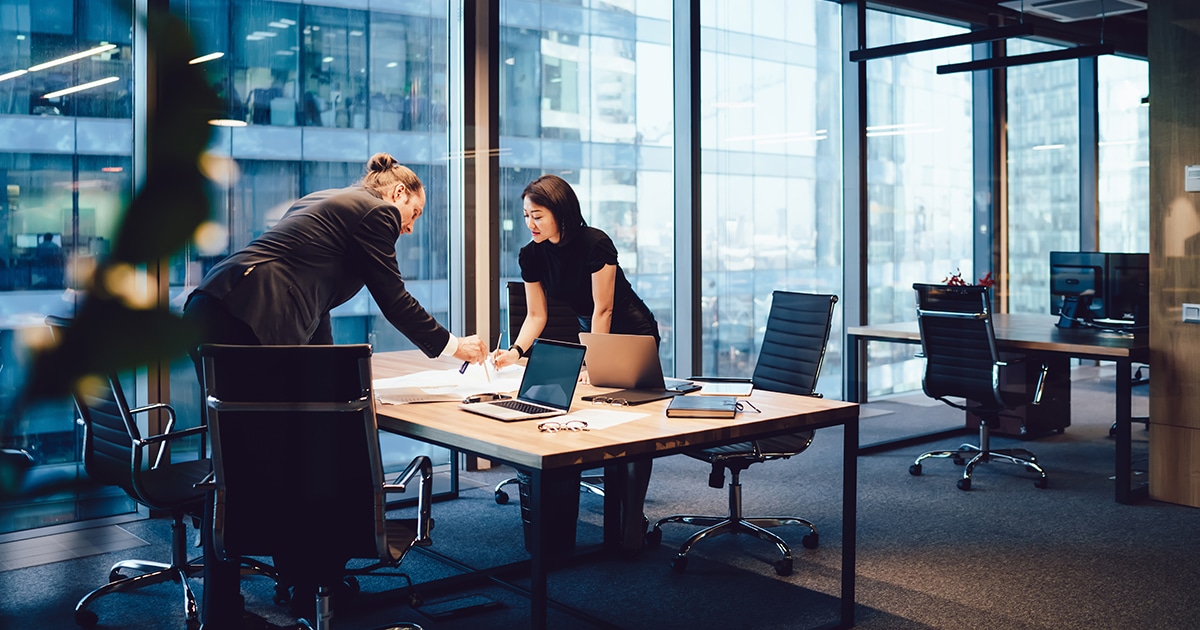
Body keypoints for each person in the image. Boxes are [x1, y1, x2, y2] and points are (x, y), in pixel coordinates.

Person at [183, 152, 488, 626]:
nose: (409, 228)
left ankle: (264, 590)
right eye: (415, 214)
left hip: (216, 306)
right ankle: (305, 586)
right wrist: (453, 346)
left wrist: (326, 377)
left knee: (239, 454)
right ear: (399, 194)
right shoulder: (377, 211)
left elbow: (313, 298)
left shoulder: (326, 199)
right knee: (290, 458)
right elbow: (394, 298)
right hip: (248, 319)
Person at [490, 173, 659, 556]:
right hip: (590, 331)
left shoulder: (594, 243)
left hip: (630, 332)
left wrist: (594, 359)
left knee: (636, 424)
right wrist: (515, 352)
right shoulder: (531, 255)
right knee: (597, 414)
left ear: (561, 213)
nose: (530, 224)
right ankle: (613, 523)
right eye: (526, 216)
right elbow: (536, 315)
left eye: (537, 216)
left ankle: (631, 521)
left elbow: (606, 308)